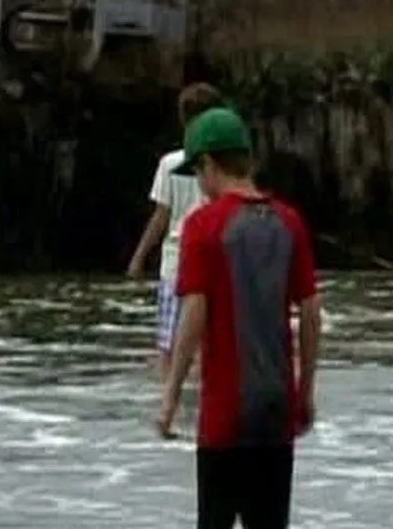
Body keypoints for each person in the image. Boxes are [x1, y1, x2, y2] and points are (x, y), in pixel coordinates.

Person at [156, 107, 322, 529]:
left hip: (225, 414)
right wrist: (303, 391)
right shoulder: (290, 222)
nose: (198, 183)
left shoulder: (203, 226)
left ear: (209, 164)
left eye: (197, 171)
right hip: (275, 408)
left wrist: (170, 397)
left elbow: (194, 312)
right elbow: (311, 312)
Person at [127, 83, 222, 383]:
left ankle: (171, 400)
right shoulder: (224, 165)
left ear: (183, 120)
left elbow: (160, 216)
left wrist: (138, 258)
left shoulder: (170, 163)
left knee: (169, 346)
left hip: (175, 264)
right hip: (215, 260)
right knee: (209, 344)